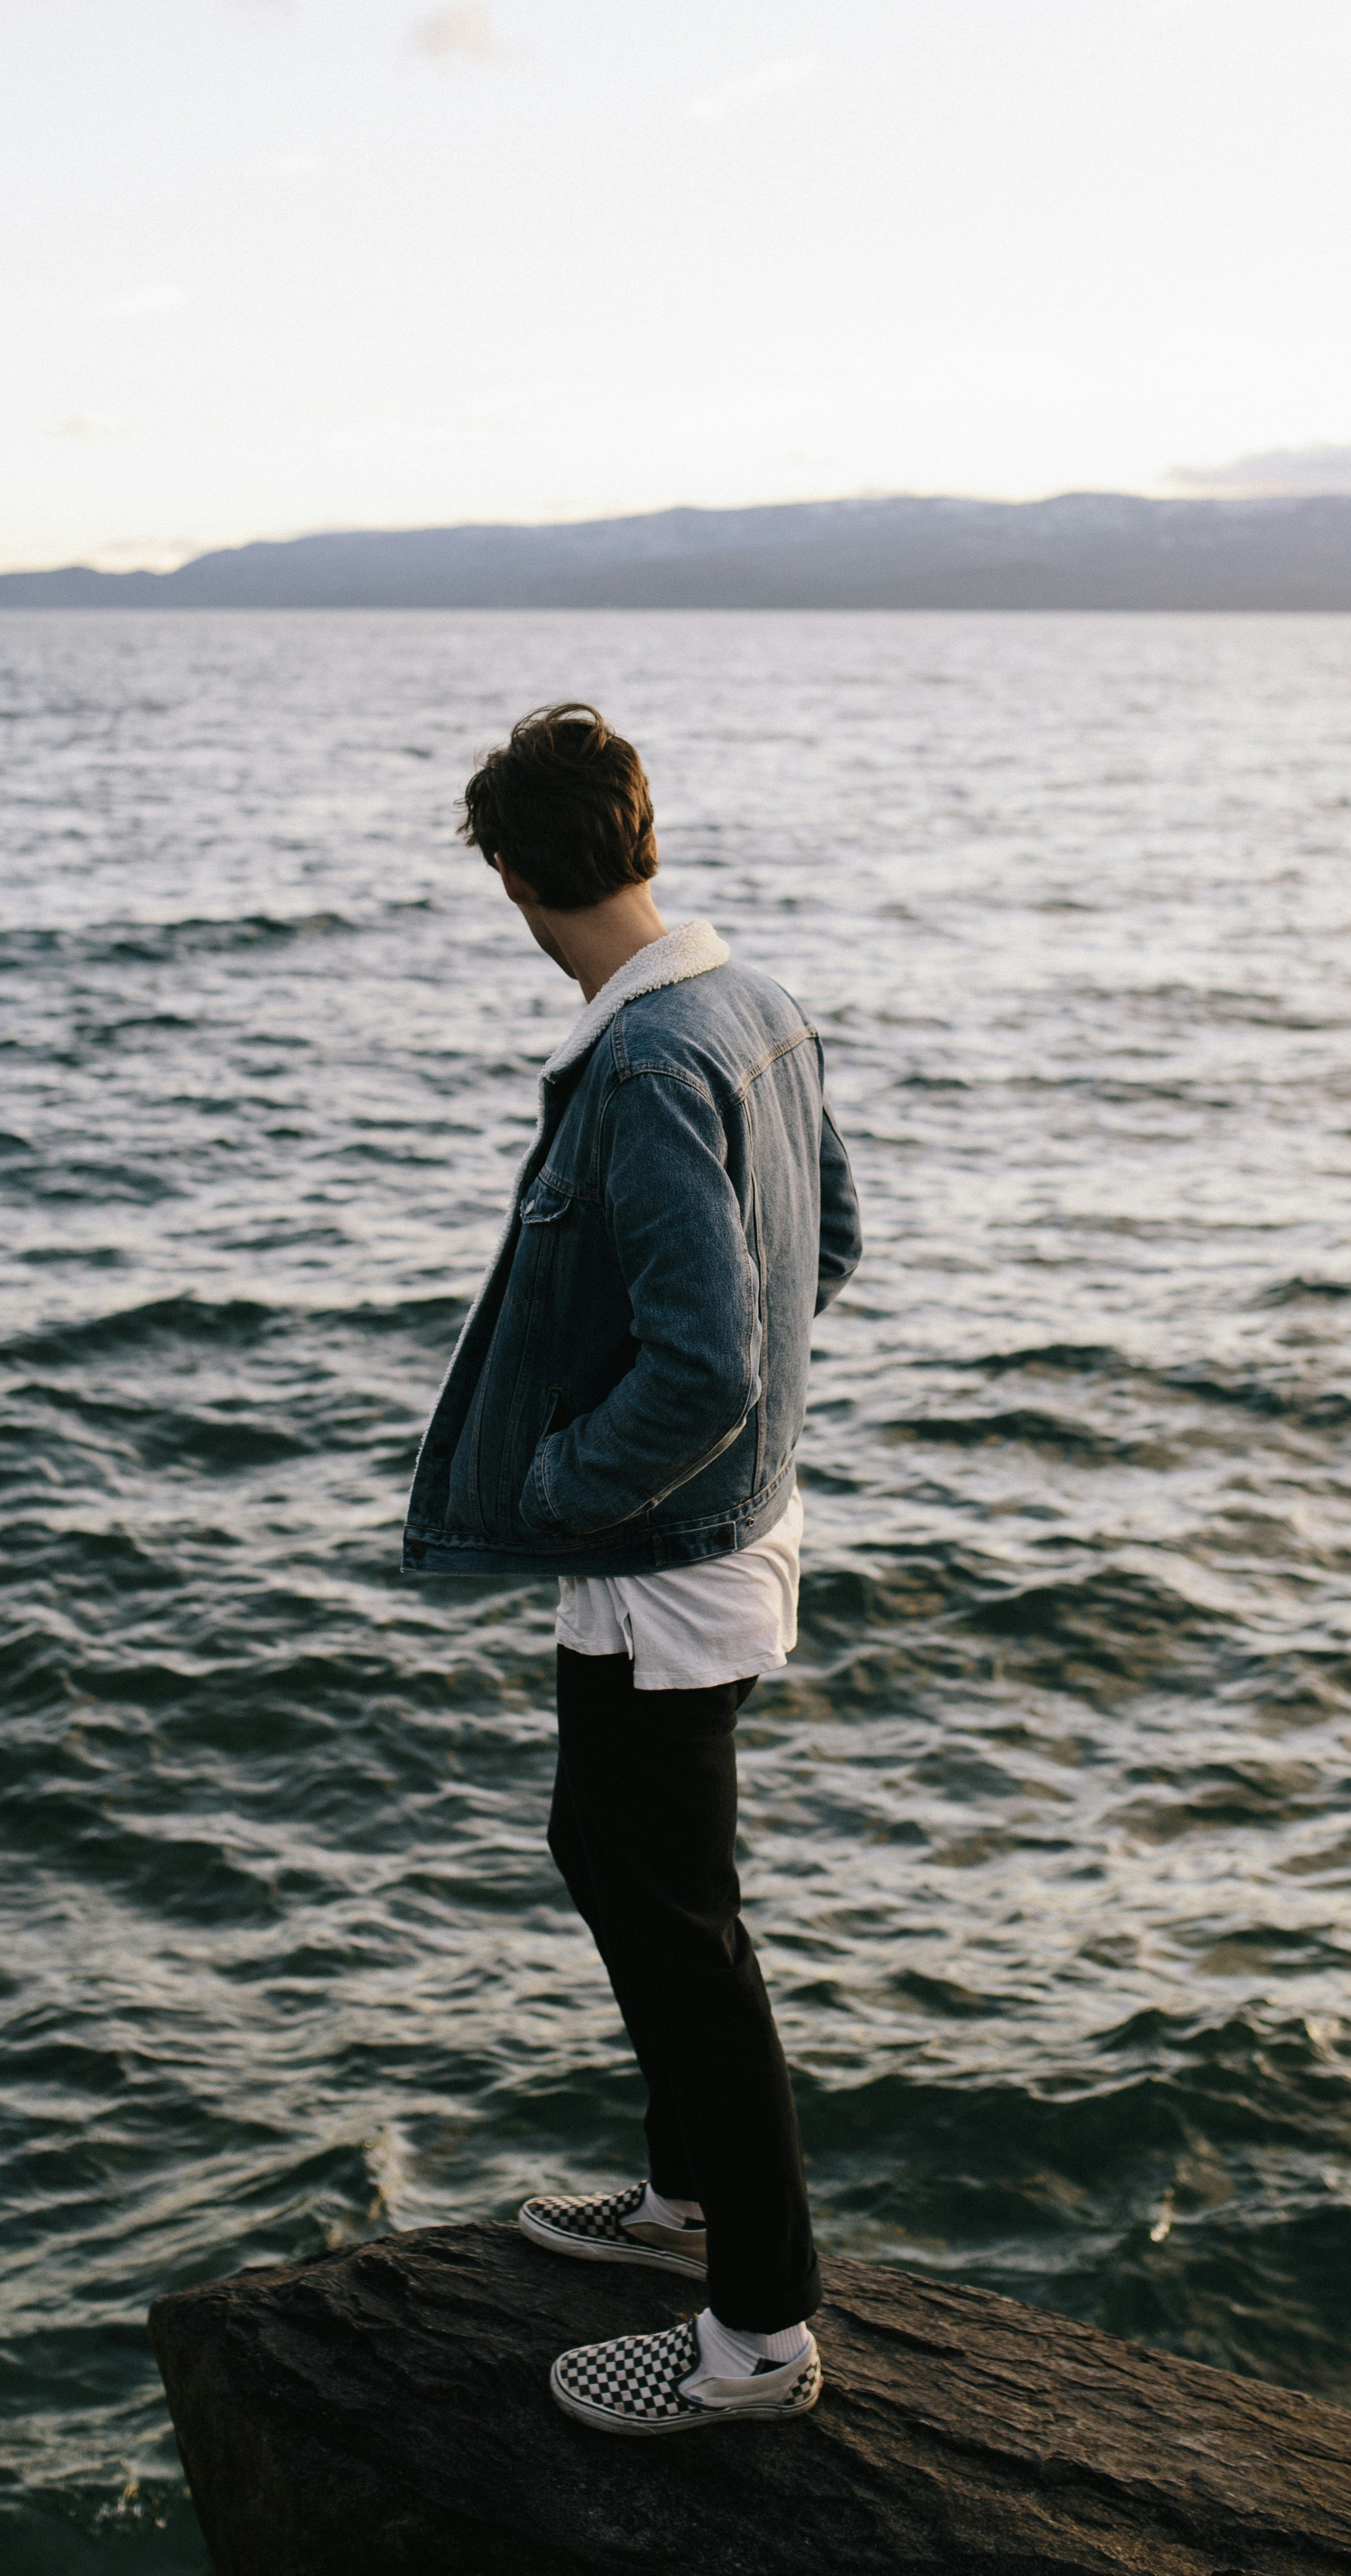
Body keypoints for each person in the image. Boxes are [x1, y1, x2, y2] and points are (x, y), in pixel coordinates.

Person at [403, 701, 862, 2438]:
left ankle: (755, 2336)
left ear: (515, 876)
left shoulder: (654, 1061)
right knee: (602, 1849)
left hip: (667, 1558)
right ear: (640, 834)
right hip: (712, 1536)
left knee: (680, 1933)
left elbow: (705, 1364)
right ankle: (679, 2200)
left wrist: (557, 1479)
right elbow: (832, 1251)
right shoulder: (752, 1009)